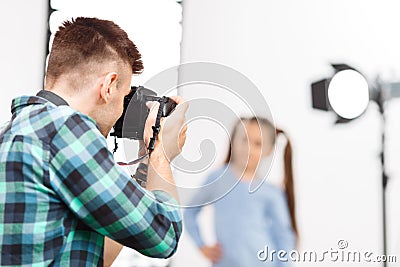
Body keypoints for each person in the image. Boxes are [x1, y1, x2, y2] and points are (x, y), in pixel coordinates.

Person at [0, 17, 188, 266]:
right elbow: (164, 235)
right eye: (124, 97)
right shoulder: (67, 130)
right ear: (108, 86)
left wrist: (145, 165)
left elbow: (99, 257)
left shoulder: (16, 131)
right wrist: (161, 154)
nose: (122, 111)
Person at [184, 117, 297, 266]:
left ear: (268, 150)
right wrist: (201, 245)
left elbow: (284, 236)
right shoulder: (217, 179)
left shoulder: (271, 192)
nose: (248, 148)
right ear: (233, 140)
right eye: (244, 139)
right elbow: (190, 211)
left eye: (257, 144)